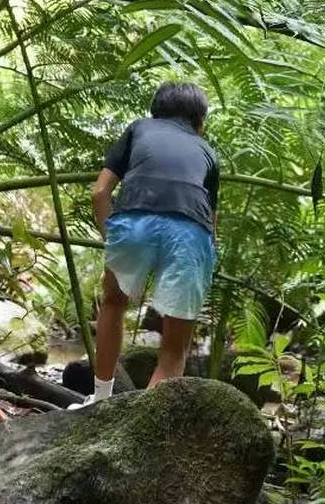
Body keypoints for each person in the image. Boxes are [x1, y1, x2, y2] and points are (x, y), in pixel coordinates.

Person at [77, 81, 219, 405]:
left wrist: (112, 239)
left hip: (134, 223)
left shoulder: (138, 129)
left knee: (113, 303)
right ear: (200, 121)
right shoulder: (208, 152)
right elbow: (211, 224)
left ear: (155, 111)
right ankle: (143, 423)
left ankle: (99, 400)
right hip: (191, 235)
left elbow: (100, 192)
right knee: (173, 350)